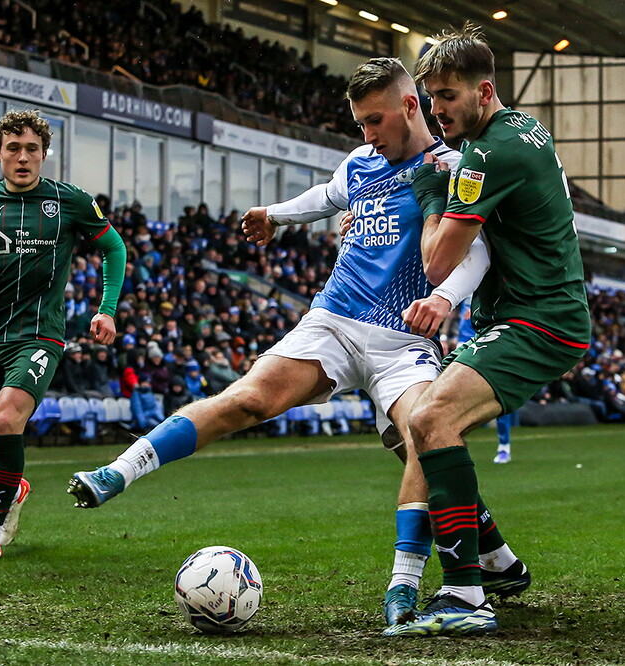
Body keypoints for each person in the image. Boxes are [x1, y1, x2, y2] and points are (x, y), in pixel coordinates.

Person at [69, 57, 529, 626]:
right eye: (360, 123)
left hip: (402, 341)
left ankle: (409, 584)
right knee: (248, 399)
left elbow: (476, 250)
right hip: (333, 321)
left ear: (411, 106)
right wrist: (276, 215)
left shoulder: (452, 168)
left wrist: (445, 298)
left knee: (425, 436)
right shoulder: (361, 161)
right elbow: (326, 196)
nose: (367, 135)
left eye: (375, 121)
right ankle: (119, 471)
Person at [385, 24, 591, 637]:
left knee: (430, 420)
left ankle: (463, 594)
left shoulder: (485, 154)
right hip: (537, 312)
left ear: (483, 91)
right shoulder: (522, 127)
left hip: (539, 320)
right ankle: (498, 563)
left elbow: (437, 262)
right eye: (431, 97)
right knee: (424, 431)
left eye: (448, 96)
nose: (437, 110)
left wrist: (431, 194)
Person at [0, 109, 127, 561]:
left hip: (40, 335)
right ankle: (13, 488)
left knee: (7, 419)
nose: (23, 157)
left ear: (44, 154)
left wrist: (107, 310)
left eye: (32, 149)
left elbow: (113, 247)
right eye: (14, 148)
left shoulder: (69, 201)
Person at [457, 297, 515, 463]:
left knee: (498, 391)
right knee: (455, 393)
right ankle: (452, 442)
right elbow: (452, 310)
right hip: (464, 340)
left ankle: (504, 446)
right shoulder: (462, 285)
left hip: (490, 338)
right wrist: (446, 336)